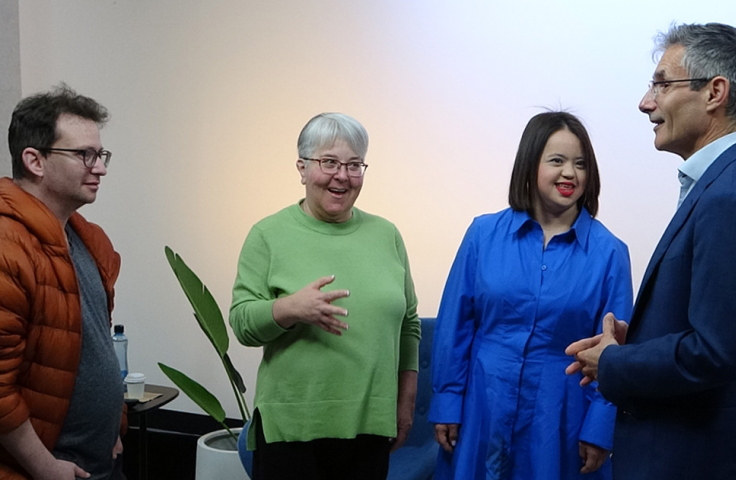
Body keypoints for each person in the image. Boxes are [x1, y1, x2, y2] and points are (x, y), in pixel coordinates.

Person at [565, 22, 736, 480]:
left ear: (715, 92)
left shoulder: (726, 196)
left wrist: (618, 361)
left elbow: (715, 351)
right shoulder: (718, 185)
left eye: (662, 84)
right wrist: (639, 341)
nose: (646, 102)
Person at [430, 111, 633, 480]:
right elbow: (454, 327)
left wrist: (601, 426)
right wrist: (447, 401)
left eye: (580, 164)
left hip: (562, 415)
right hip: (482, 404)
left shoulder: (610, 252)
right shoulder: (482, 234)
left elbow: (615, 350)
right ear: (530, 164)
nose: (569, 173)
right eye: (557, 161)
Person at [229, 112, 421, 480]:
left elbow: (409, 325)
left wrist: (405, 403)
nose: (342, 176)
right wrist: (290, 309)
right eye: (329, 162)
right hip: (292, 428)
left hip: (370, 425)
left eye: (353, 165)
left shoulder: (387, 235)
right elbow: (242, 323)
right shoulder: (268, 235)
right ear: (301, 168)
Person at [0, 85, 124, 479]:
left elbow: (94, 344)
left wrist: (113, 427)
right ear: (35, 161)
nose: (100, 167)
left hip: (99, 460)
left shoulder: (87, 239)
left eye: (100, 154)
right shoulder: (7, 247)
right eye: (84, 155)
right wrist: (44, 467)